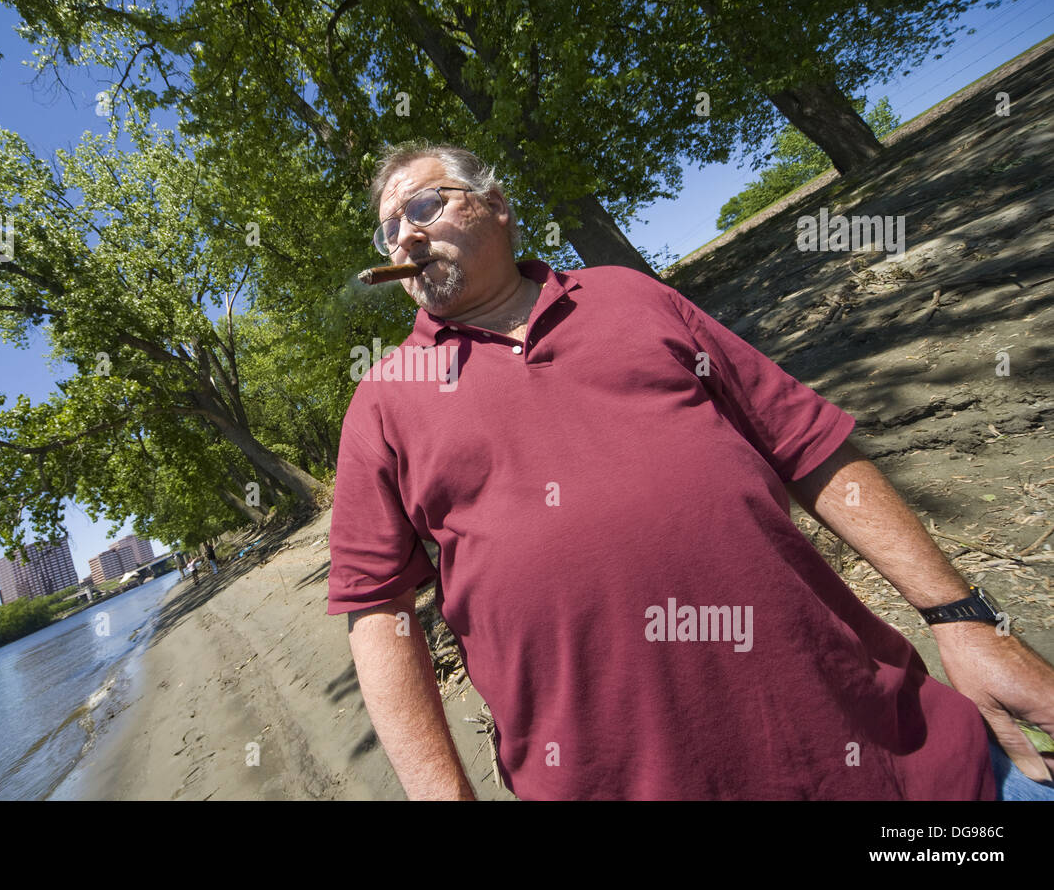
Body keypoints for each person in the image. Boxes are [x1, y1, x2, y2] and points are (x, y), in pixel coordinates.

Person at [326, 141, 1054, 800]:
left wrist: (965, 622)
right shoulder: (384, 399)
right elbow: (377, 610)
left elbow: (807, 443)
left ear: (497, 207)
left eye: (424, 205)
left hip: (901, 763)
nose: (406, 234)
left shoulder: (630, 296)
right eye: (390, 228)